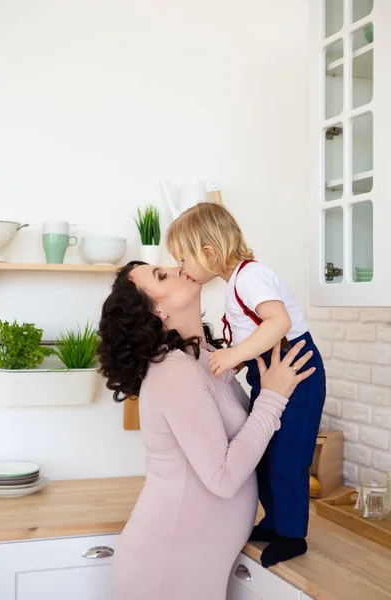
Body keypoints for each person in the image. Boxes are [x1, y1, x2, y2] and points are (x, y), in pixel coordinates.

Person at [98, 261, 315, 600]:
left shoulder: (207, 357)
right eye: (161, 275)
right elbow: (223, 477)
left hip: (195, 563)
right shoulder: (173, 371)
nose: (176, 266)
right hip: (165, 568)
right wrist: (272, 397)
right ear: (157, 311)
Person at [166, 203, 326, 568]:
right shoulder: (238, 282)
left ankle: (292, 535)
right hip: (271, 369)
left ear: (208, 253)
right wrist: (238, 359)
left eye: (182, 258)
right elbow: (258, 330)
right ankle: (274, 522)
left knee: (287, 457)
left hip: (296, 369)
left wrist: (236, 353)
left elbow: (278, 322)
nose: (180, 268)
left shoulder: (251, 277)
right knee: (266, 454)